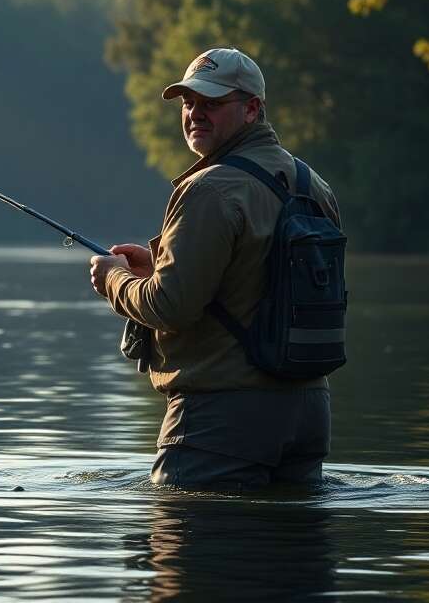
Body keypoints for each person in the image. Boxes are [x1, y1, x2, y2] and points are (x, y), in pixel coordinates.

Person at [88, 47, 341, 488]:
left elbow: (170, 306)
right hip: (308, 413)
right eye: (188, 103)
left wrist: (114, 280)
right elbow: (255, 280)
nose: (194, 114)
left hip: (220, 418)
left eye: (212, 103)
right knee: (290, 556)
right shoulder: (313, 185)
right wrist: (159, 265)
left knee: (188, 550)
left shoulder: (212, 189)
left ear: (252, 109)